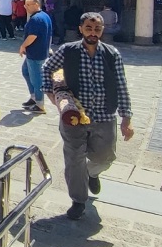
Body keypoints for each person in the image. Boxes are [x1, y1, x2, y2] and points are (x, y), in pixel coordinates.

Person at [41, 12, 134, 221]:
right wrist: (54, 93)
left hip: (104, 115)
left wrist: (126, 118)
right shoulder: (67, 51)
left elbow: (121, 85)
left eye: (97, 29)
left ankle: (92, 173)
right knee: (74, 159)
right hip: (74, 118)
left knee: (105, 157)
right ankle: (78, 200)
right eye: (89, 29)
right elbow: (49, 68)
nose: (93, 33)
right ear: (81, 29)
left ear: (102, 30)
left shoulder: (112, 54)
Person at [19, 0, 53, 113]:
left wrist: (23, 46)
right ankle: (34, 97)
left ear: (36, 4)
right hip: (37, 52)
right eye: (25, 5)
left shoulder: (36, 19)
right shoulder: (45, 16)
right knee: (26, 71)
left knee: (37, 79)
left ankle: (39, 104)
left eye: (28, 5)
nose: (25, 7)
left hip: (36, 53)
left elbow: (32, 36)